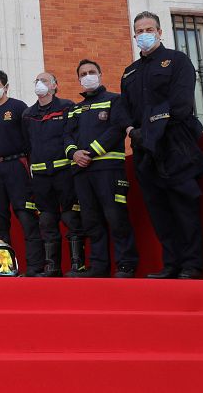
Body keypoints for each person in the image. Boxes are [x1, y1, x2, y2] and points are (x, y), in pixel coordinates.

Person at [121, 11, 203, 279]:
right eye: (140, 30)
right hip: (145, 150)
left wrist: (150, 128)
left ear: (159, 32)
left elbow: (180, 105)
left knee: (183, 208)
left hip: (174, 145)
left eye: (150, 29)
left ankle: (192, 265)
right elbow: (124, 110)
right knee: (159, 210)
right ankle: (171, 264)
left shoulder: (178, 61)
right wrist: (132, 130)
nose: (144, 34)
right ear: (135, 35)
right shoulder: (130, 72)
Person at [64, 59, 138, 278]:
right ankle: (98, 267)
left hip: (109, 170)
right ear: (78, 79)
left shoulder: (115, 100)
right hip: (82, 172)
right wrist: (74, 153)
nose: (88, 76)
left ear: (100, 74)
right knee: (91, 221)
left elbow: (117, 129)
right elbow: (67, 136)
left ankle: (125, 265)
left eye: (92, 72)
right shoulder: (74, 109)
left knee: (116, 218)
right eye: (83, 73)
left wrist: (89, 152)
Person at [0, 70, 43, 276]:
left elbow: (30, 137)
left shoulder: (18, 107)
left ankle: (34, 267)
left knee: (26, 216)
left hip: (17, 166)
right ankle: (2, 267)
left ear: (6, 87)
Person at [22, 72, 85, 276]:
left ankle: (77, 264)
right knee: (47, 221)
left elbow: (75, 136)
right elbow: (26, 144)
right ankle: (52, 266)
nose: (40, 84)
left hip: (64, 173)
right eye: (37, 80)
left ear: (55, 86)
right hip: (40, 177)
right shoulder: (28, 114)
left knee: (71, 217)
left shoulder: (67, 107)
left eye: (45, 80)